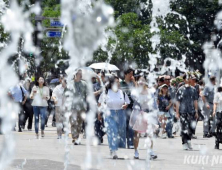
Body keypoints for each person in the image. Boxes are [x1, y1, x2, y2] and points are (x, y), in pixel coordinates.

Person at [99, 75, 130, 159]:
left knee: (120, 131)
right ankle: (113, 150)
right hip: (110, 113)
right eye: (116, 82)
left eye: (118, 82)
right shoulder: (106, 92)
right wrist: (101, 112)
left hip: (120, 113)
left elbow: (127, 102)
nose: (118, 83)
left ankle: (115, 147)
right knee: (113, 131)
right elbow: (100, 102)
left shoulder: (122, 92)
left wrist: (125, 105)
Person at [130, 75, 158, 160]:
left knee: (150, 133)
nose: (141, 82)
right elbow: (135, 98)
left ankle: (150, 151)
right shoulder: (135, 92)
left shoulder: (150, 92)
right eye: (140, 80)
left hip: (148, 114)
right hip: (138, 113)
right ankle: (136, 151)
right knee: (136, 133)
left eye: (143, 80)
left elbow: (154, 104)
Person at [176, 74, 198, 150]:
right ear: (184, 80)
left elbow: (195, 100)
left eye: (190, 78)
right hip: (183, 111)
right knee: (184, 127)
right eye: (188, 78)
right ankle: (184, 143)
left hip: (191, 111)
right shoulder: (180, 89)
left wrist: (196, 111)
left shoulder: (193, 89)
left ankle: (189, 140)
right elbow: (178, 102)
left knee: (191, 127)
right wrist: (177, 112)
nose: (189, 80)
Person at [70, 69, 88, 145]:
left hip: (82, 107)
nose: (80, 75)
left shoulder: (84, 84)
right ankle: (74, 138)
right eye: (79, 74)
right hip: (72, 107)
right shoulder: (70, 84)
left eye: (81, 74)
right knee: (73, 122)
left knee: (80, 123)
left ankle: (77, 137)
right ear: (75, 74)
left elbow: (88, 94)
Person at [120, 68, 136, 149]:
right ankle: (123, 142)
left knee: (131, 125)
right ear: (125, 74)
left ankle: (130, 143)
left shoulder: (132, 84)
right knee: (124, 125)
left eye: (132, 74)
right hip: (123, 106)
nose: (131, 76)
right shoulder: (121, 83)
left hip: (131, 106)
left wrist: (134, 82)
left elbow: (138, 91)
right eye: (130, 74)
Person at [93, 72, 106, 144]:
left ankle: (101, 134)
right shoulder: (94, 85)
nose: (99, 78)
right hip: (96, 106)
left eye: (101, 76)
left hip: (105, 107)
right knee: (96, 123)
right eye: (98, 76)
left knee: (105, 124)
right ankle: (98, 137)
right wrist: (99, 91)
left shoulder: (107, 85)